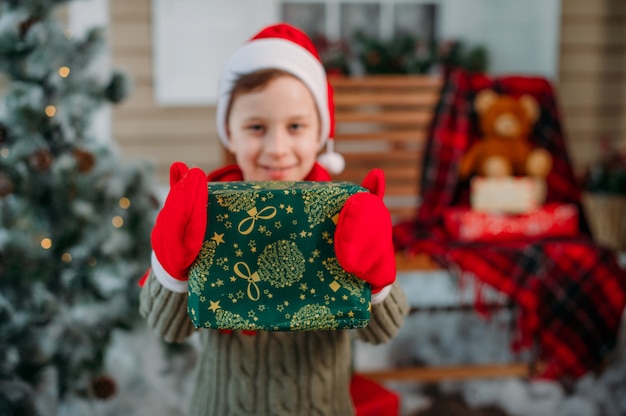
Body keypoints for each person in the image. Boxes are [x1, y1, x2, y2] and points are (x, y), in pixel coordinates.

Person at [139, 23, 409, 416]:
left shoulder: (345, 216)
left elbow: (381, 331)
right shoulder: (204, 212)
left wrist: (377, 277)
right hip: (222, 406)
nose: (277, 148)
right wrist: (169, 268)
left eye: (296, 126)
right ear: (229, 131)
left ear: (321, 133)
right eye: (256, 127)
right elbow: (170, 328)